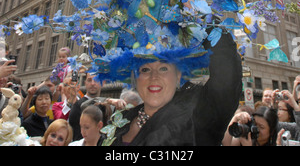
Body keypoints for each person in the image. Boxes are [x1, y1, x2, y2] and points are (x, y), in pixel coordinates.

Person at [99, 32, 242, 146]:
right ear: (136, 78)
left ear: (178, 75)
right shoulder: (120, 120)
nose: (154, 76)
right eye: (145, 69)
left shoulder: (197, 116)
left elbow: (227, 79)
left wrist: (199, 19)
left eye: (163, 68)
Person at [69, 72, 126, 141]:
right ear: (85, 83)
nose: (93, 83)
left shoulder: (109, 107)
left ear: (103, 82)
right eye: (89, 80)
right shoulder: (78, 106)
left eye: (96, 80)